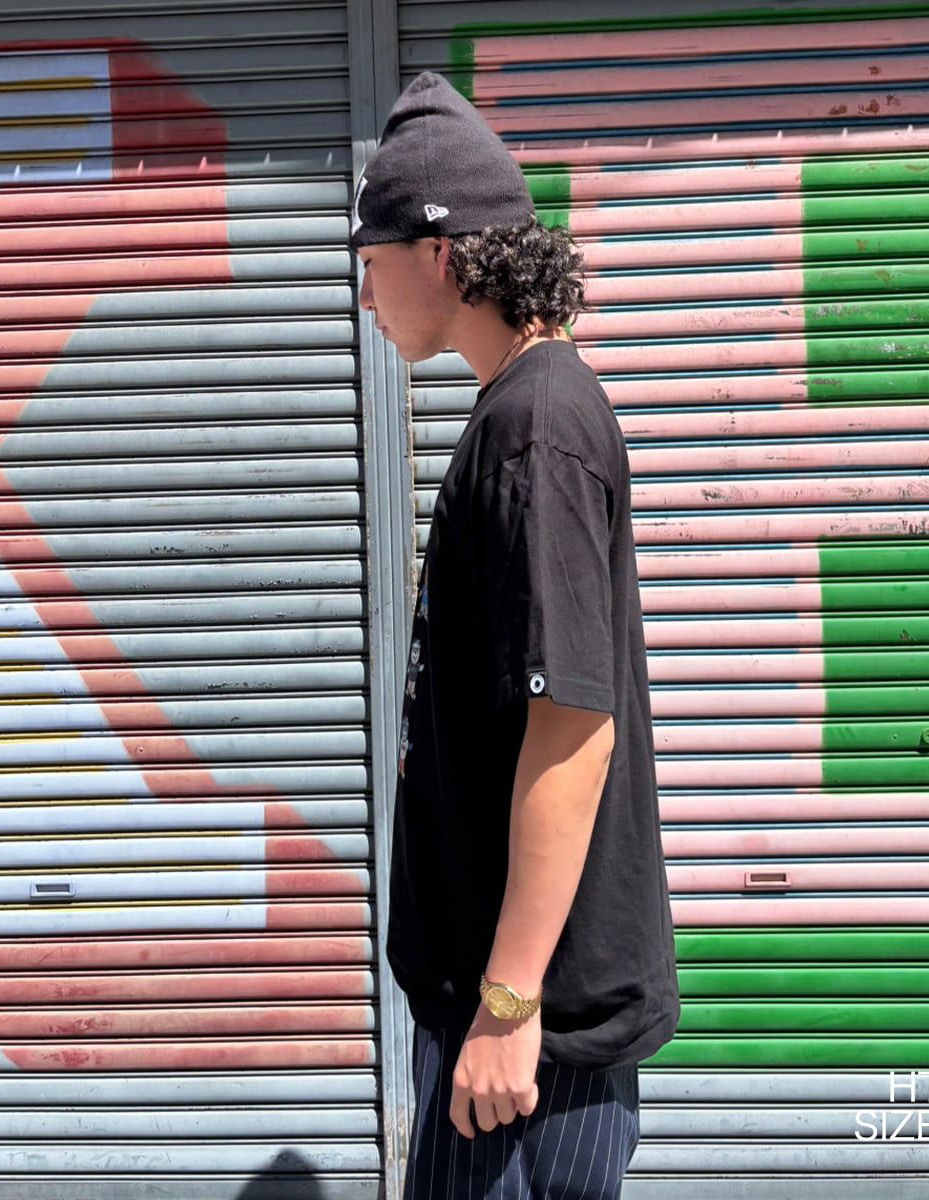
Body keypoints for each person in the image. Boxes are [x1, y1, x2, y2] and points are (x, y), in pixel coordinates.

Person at [350, 71, 679, 1199]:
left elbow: (573, 723)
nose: (365, 293)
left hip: (530, 1043)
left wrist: (505, 1003)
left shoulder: (538, 427)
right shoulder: (521, 412)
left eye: (372, 259)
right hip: (508, 1016)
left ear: (440, 254)